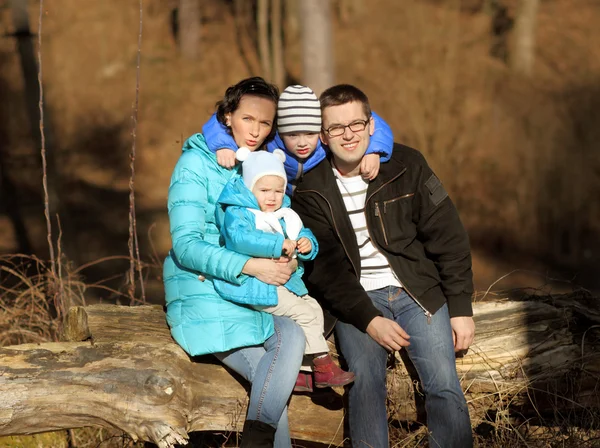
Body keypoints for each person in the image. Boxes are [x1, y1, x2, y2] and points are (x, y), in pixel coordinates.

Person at [291, 84, 475, 448]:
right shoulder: (311, 190)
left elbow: (448, 236)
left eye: (356, 124)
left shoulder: (408, 166)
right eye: (336, 128)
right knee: (364, 384)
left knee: (442, 382)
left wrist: (460, 306)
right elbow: (325, 269)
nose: (348, 135)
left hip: (417, 291)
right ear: (323, 137)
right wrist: (368, 319)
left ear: (372, 125)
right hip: (356, 300)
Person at [163, 76, 306, 448]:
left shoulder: (258, 167)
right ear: (227, 116)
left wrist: (289, 263)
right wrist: (251, 267)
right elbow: (187, 246)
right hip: (201, 289)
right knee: (269, 376)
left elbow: (275, 227)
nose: (256, 131)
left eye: (265, 123)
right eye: (248, 120)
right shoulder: (196, 164)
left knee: (292, 333)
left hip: (241, 292)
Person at [213, 147, 355, 389]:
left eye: (278, 191)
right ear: (249, 188)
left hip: (282, 283)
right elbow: (240, 239)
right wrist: (278, 244)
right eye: (264, 190)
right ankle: (323, 367)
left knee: (314, 310)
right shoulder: (240, 214)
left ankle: (302, 372)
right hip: (251, 285)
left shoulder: (284, 215)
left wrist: (307, 244)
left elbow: (300, 233)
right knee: (303, 313)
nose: (272, 197)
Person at [201, 84, 395, 194]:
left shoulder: (325, 141)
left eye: (310, 134)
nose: (302, 143)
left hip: (314, 200)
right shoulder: (269, 140)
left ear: (320, 132)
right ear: (280, 131)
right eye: (292, 135)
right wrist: (224, 145)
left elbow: (370, 120)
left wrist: (374, 150)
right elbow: (218, 120)